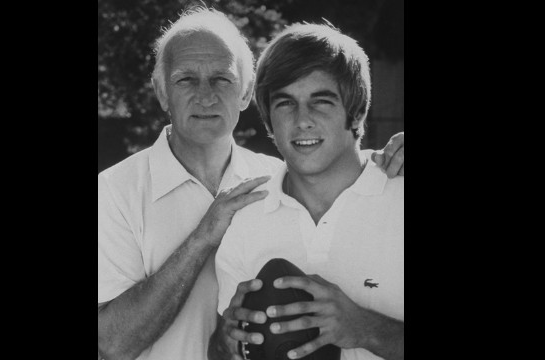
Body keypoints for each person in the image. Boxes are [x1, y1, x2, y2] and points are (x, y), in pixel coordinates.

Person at [98, 7, 404, 360]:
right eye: (185, 80)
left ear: (245, 94)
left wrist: (366, 328)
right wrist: (204, 239)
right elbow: (112, 343)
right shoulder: (115, 193)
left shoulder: (274, 179)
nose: (206, 96)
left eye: (222, 79)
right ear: (162, 92)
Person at [211, 23, 403, 360]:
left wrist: (364, 328)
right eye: (285, 103)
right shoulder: (244, 219)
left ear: (356, 112)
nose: (302, 121)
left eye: (321, 102)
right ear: (269, 119)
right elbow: (222, 352)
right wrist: (226, 344)